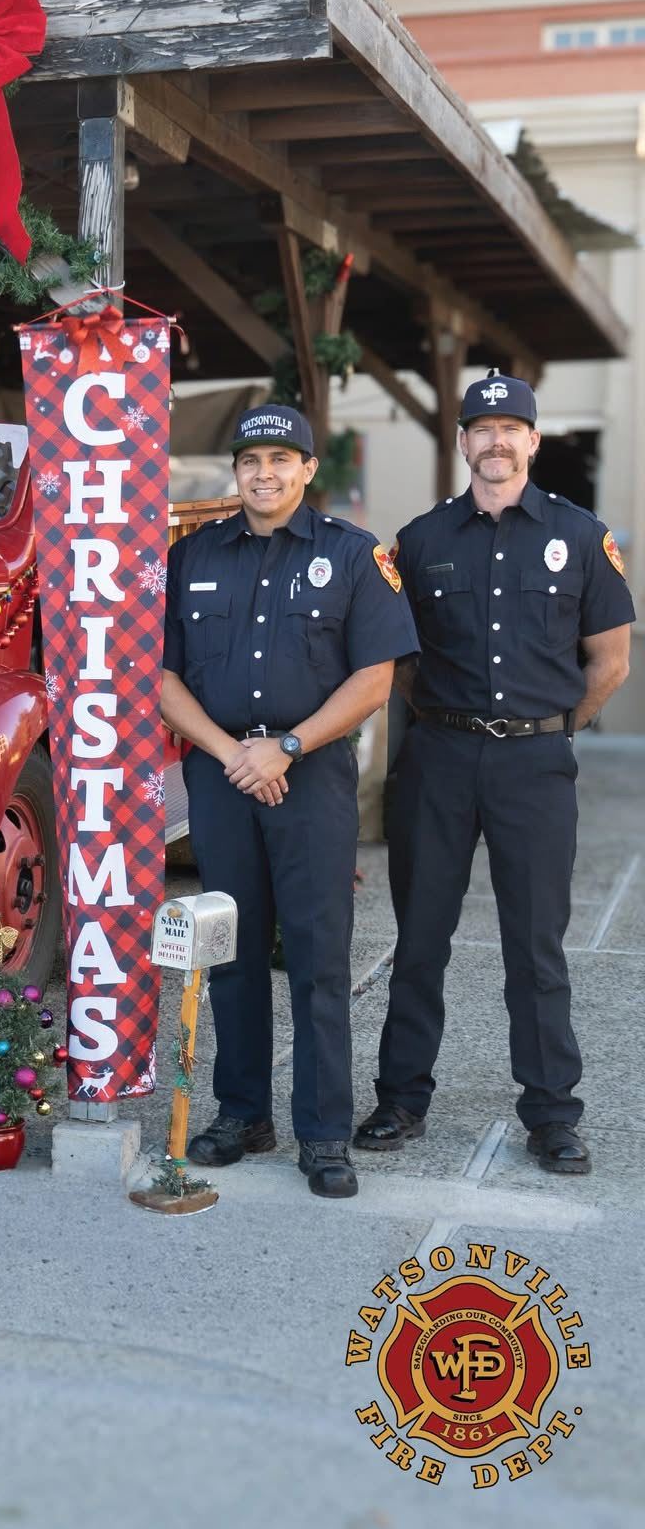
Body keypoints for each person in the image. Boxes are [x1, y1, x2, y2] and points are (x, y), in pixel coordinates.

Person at [358, 372, 633, 1175]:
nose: (497, 440)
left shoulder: (582, 536)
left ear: (534, 442)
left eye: (513, 427)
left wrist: (547, 733)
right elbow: (402, 662)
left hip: (535, 765)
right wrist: (452, 722)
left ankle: (551, 1113)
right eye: (483, 427)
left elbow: (610, 663)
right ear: (464, 442)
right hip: (439, 758)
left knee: (536, 945)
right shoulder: (420, 540)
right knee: (420, 940)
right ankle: (401, 1097)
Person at [161, 406, 417, 1198]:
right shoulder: (192, 556)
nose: (264, 472)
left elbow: (374, 678)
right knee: (231, 950)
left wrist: (289, 746)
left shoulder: (352, 555)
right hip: (222, 770)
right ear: (236, 471)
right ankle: (242, 1113)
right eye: (250, 459)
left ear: (308, 468)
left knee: (316, 957)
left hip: (311, 778)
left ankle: (322, 1132)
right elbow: (165, 679)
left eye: (281, 457)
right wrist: (235, 752)